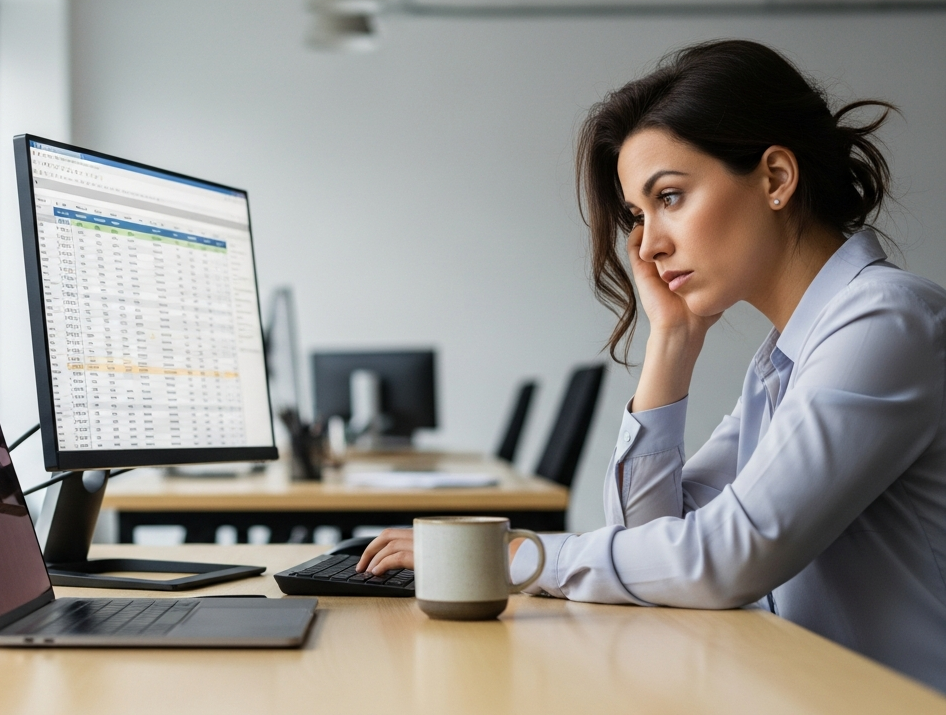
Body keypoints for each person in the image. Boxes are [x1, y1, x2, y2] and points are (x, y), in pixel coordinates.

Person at [357, 40, 946, 692]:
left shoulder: (888, 323)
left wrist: (516, 556)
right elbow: (657, 547)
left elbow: (728, 555)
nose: (649, 244)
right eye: (638, 215)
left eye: (670, 197)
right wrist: (671, 341)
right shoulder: (784, 360)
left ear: (777, 178)